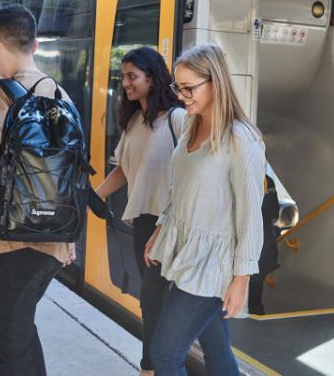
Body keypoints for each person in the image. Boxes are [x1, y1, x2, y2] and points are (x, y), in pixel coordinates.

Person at [0, 4, 75, 375]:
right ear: (36, 43)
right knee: (22, 333)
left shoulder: (0, 93)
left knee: (6, 349)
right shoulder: (61, 94)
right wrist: (68, 238)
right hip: (54, 243)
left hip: (11, 241)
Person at [145, 44, 266, 375]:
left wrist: (241, 279)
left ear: (216, 83)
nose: (182, 96)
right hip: (188, 252)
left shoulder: (241, 140)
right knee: (215, 347)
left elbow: (250, 214)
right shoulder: (190, 125)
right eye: (177, 87)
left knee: (165, 354)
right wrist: (162, 227)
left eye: (189, 88)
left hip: (214, 263)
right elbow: (180, 187)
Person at [95, 47, 184, 375]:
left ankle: (151, 367)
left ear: (152, 77)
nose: (125, 84)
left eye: (132, 77)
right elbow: (123, 168)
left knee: (152, 301)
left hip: (169, 223)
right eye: (123, 78)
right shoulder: (134, 120)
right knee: (154, 301)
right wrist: (94, 197)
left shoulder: (177, 118)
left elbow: (193, 174)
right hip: (143, 221)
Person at [247, 174, 280, 316]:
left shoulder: (243, 176)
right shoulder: (268, 180)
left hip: (249, 243)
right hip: (265, 243)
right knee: (256, 291)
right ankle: (256, 317)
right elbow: (275, 214)